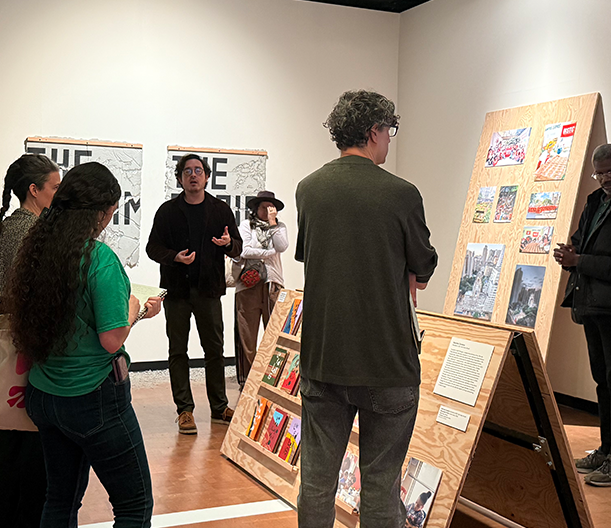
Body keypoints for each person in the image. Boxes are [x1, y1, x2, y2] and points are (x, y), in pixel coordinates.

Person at [294, 90, 438, 528]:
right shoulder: (401, 193)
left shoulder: (308, 189)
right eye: (389, 132)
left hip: (324, 358)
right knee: (380, 483)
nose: (389, 142)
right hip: (387, 361)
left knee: (316, 483)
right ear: (374, 131)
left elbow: (310, 256)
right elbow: (423, 266)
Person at [8, 162, 163, 526]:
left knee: (60, 500)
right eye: (110, 212)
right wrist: (135, 307)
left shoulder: (38, 251)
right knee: (134, 505)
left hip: (44, 396)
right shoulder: (100, 259)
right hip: (93, 399)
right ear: (100, 212)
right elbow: (112, 339)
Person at [0, 153, 60, 527]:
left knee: (4, 437)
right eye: (55, 188)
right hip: (32, 335)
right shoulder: (36, 232)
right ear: (34, 190)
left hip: (6, 331)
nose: (59, 195)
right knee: (31, 437)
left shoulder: (4, 228)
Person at [553, 144, 611, 487]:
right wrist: (570, 252)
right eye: (599, 172)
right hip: (590, 301)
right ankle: (606, 449)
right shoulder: (593, 201)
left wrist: (580, 262)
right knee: (602, 380)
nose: (605, 178)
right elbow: (580, 241)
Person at [146, 153, 242, 434]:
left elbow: (237, 248)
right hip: (177, 292)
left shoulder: (221, 210)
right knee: (178, 350)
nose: (193, 175)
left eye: (198, 170)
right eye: (187, 171)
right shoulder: (167, 211)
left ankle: (219, 406)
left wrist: (227, 243)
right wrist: (175, 256)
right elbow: (153, 248)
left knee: (214, 350)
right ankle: (184, 410)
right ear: (180, 178)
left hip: (209, 290)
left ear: (207, 176)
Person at [235, 190, 289, 386]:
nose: (267, 210)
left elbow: (282, 246)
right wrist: (268, 252)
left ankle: (272, 378)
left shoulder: (279, 226)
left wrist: (273, 224)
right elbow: (244, 250)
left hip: (272, 283)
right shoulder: (246, 226)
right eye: (263, 206)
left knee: (274, 332)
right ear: (255, 209)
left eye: (271, 207)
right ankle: (249, 380)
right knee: (246, 334)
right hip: (248, 285)